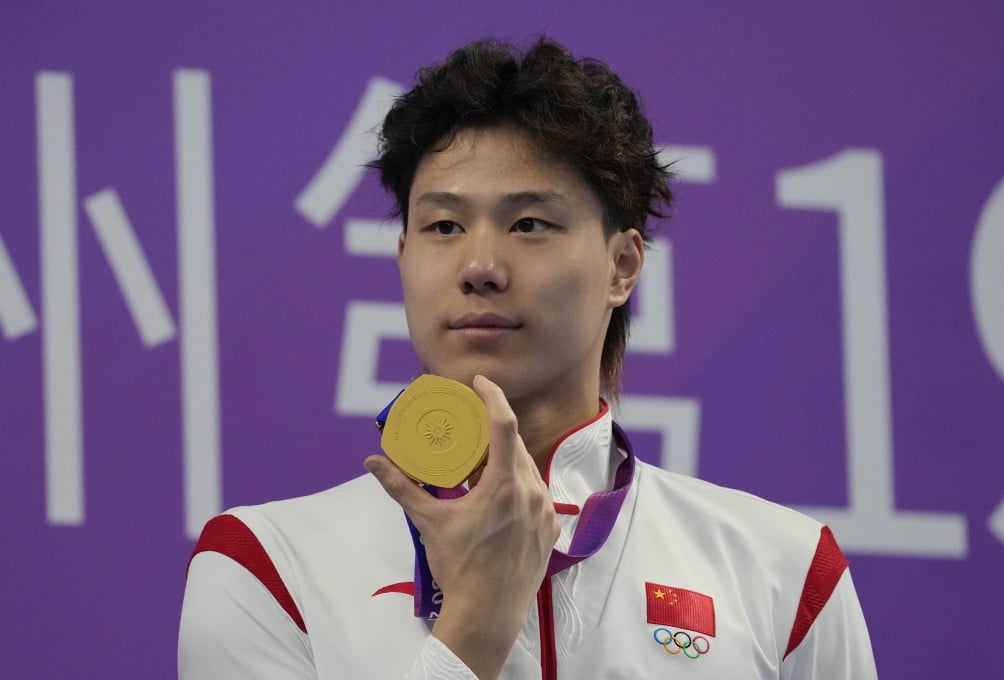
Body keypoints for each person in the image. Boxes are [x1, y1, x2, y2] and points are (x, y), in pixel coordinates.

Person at [178, 38, 877, 679]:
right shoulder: (267, 566)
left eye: (529, 224)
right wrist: (474, 628)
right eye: (443, 226)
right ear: (403, 259)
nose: (479, 265)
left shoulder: (786, 575)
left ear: (622, 265)